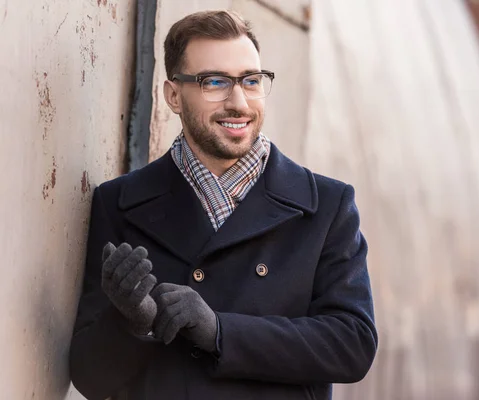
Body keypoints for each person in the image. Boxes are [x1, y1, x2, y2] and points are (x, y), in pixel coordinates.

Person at [69, 9, 377, 400]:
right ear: (174, 96)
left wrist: (220, 331)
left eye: (251, 80)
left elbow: (353, 345)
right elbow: (88, 377)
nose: (238, 102)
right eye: (214, 81)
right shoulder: (120, 203)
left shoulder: (326, 206)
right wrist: (127, 323)